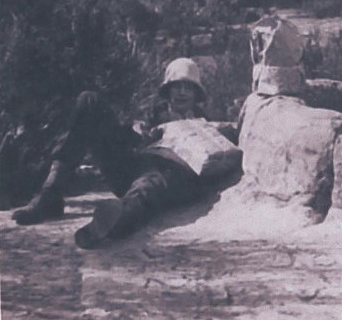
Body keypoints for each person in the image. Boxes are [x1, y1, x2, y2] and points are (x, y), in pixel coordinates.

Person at [12, 58, 211, 249]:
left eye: (188, 87)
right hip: (130, 169)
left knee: (150, 184)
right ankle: (50, 194)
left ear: (197, 94)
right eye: (177, 86)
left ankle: (111, 223)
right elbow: (123, 139)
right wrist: (135, 132)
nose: (182, 93)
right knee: (89, 100)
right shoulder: (152, 113)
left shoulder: (206, 123)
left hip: (163, 176)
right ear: (168, 90)